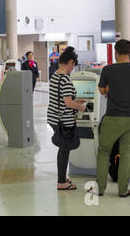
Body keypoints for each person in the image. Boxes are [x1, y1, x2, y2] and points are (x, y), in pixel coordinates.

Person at [96, 39, 130, 198]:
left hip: (113, 118)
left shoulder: (107, 70)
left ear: (115, 52)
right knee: (126, 153)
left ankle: (100, 189)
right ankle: (123, 190)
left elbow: (102, 91)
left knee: (103, 152)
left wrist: (110, 88)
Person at [47, 47, 86, 191]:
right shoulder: (65, 79)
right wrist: (81, 107)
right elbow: (68, 102)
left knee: (63, 148)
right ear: (70, 62)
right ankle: (61, 182)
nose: (73, 69)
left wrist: (76, 101)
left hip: (54, 117)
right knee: (65, 149)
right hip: (64, 120)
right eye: (73, 65)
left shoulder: (55, 76)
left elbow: (61, 98)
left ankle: (62, 178)